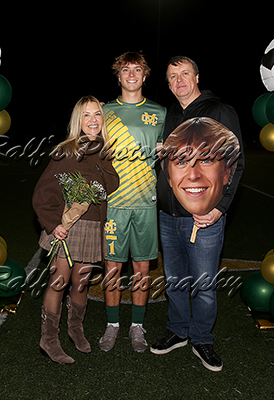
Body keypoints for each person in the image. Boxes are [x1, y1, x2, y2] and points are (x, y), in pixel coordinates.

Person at [151, 56, 244, 372]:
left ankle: (202, 338)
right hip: (168, 214)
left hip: (204, 216)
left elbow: (236, 163)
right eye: (172, 76)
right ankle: (178, 330)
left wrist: (219, 208)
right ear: (168, 84)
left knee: (203, 284)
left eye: (184, 73)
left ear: (197, 77)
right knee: (174, 280)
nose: (179, 80)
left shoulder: (219, 111)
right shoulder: (171, 115)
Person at [33, 95, 119, 364]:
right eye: (86, 115)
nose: (93, 120)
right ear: (77, 120)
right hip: (68, 228)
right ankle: (48, 339)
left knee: (81, 283)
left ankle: (75, 329)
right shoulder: (67, 151)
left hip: (92, 227)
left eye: (97, 114)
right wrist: (53, 224)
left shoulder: (103, 151)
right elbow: (42, 193)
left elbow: (111, 185)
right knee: (59, 282)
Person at [98, 52, 166, 353]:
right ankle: (112, 324)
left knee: (141, 267)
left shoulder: (159, 112)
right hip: (113, 203)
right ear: (118, 76)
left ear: (145, 75)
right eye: (126, 70)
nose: (131, 75)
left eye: (137, 70)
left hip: (145, 202)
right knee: (112, 267)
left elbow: (170, 152)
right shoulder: (103, 111)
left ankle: (137, 326)